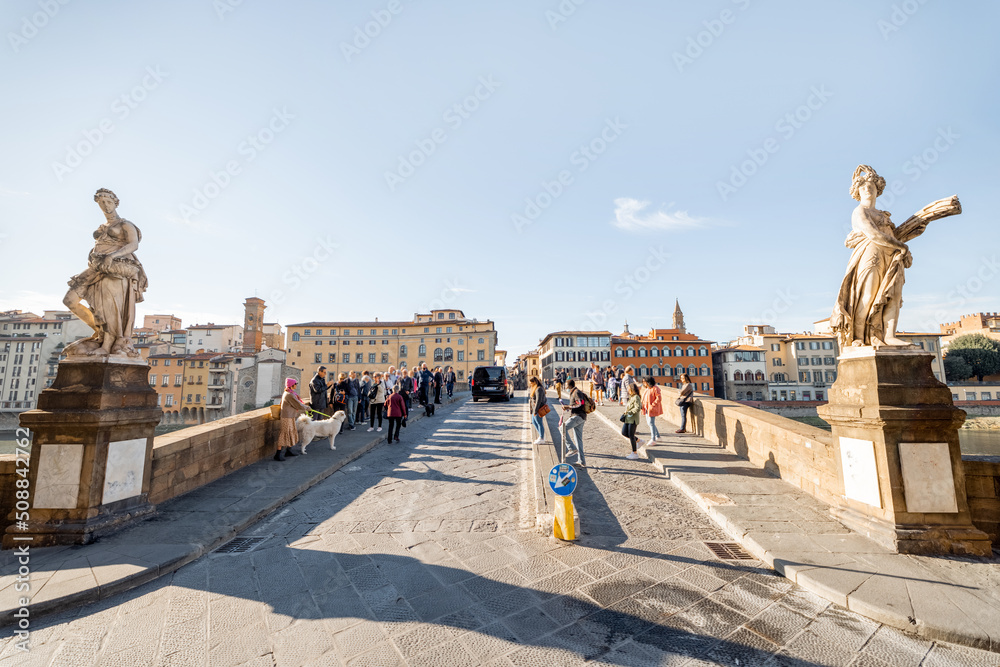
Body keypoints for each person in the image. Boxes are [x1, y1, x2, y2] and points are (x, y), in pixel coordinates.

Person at [62, 188, 149, 358]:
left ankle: (109, 342)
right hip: (97, 266)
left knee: (110, 307)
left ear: (116, 203)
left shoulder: (125, 224)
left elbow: (133, 244)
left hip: (117, 268)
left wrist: (113, 255)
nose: (105, 205)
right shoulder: (103, 227)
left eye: (109, 202)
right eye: (102, 203)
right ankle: (101, 333)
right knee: (70, 300)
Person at [560, 379, 591, 469]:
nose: (565, 386)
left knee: (562, 428)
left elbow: (580, 404)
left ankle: (571, 448)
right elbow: (576, 405)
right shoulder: (574, 392)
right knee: (578, 440)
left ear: (569, 385)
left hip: (578, 417)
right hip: (580, 417)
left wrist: (568, 406)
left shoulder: (576, 392)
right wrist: (567, 407)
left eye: (566, 384)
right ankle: (582, 461)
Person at [275, 378, 307, 461]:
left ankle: (289, 450)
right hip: (286, 417)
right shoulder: (290, 395)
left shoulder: (288, 393)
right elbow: (298, 404)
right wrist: (308, 408)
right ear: (292, 385)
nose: (296, 385)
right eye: (296, 383)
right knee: (284, 433)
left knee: (290, 432)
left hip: (289, 416)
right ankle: (278, 454)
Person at [641, 376, 663, 448]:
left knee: (651, 423)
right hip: (647, 408)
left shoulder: (655, 388)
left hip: (651, 408)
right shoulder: (647, 389)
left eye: (644, 382)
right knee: (650, 423)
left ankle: (653, 439)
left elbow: (659, 398)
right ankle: (658, 436)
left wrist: (652, 405)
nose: (643, 383)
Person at [622, 383, 642, 459]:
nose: (627, 390)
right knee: (624, 432)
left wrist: (629, 412)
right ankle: (639, 440)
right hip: (628, 418)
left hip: (633, 419)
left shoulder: (636, 397)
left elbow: (638, 408)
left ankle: (635, 453)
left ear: (632, 389)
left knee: (631, 435)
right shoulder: (631, 397)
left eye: (628, 389)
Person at [528, 376, 548, 445]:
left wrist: (535, 411)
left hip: (538, 409)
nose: (530, 384)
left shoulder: (539, 389)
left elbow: (538, 401)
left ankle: (542, 438)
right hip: (535, 409)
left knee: (539, 423)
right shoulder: (536, 388)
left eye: (531, 383)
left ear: (534, 382)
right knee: (534, 422)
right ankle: (541, 436)